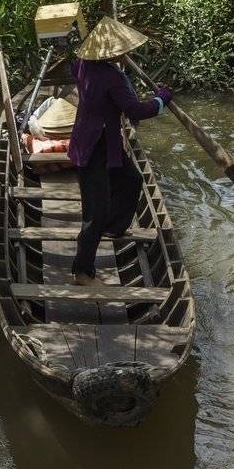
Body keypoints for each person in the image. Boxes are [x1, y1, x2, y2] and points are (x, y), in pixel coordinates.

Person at [68, 18, 171, 287]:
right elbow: (136, 110)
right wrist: (161, 100)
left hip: (97, 138)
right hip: (95, 146)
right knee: (95, 210)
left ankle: (115, 228)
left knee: (131, 180)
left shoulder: (81, 65)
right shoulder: (114, 77)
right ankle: (82, 272)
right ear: (113, 53)